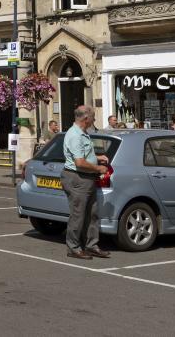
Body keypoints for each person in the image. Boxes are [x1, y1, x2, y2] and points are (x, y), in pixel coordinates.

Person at [61, 105, 111, 261]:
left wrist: (97, 157)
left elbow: (84, 155)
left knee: (92, 214)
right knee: (78, 215)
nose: (94, 120)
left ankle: (91, 245)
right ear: (86, 118)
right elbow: (80, 162)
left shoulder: (82, 133)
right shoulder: (75, 135)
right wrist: (98, 168)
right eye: (93, 117)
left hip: (86, 178)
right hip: (78, 177)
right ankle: (74, 248)